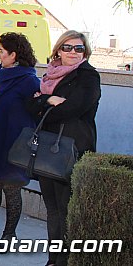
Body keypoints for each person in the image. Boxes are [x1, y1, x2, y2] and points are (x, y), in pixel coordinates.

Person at [27, 30, 100, 266]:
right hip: (49, 149)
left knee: (67, 209)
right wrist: (47, 101)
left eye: (78, 49)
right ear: (58, 50)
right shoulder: (50, 76)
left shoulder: (88, 76)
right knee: (53, 209)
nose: (73, 53)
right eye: (67, 48)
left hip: (72, 150)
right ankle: (53, 259)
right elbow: (29, 105)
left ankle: (66, 260)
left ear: (85, 52)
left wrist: (43, 105)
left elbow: (73, 108)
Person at [0, 32, 40, 249]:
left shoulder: (29, 81)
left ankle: (9, 235)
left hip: (15, 146)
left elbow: (34, 113)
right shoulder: (2, 75)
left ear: (14, 55)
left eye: (2, 52)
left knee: (11, 191)